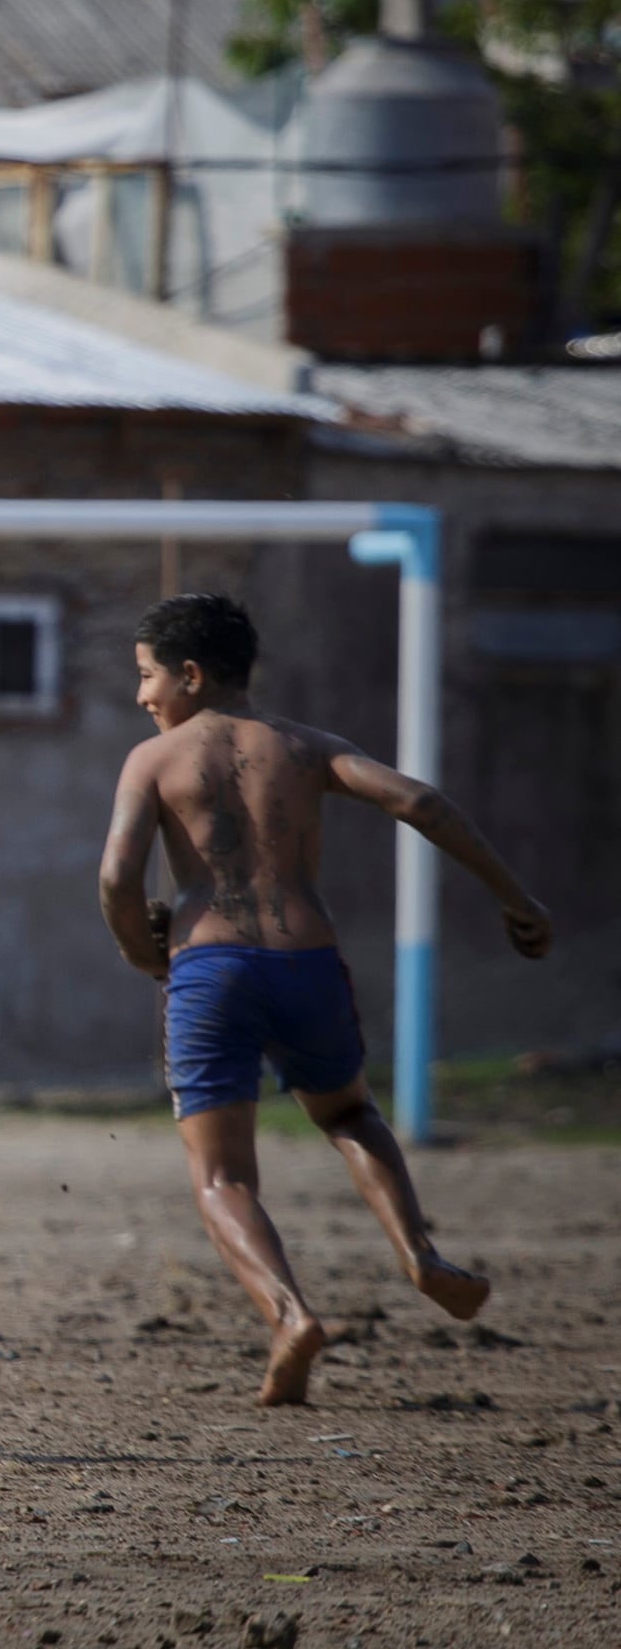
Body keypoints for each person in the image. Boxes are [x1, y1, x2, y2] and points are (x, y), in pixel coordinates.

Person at [98, 591, 551, 1406]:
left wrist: (143, 953)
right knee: (348, 1115)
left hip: (211, 968)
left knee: (221, 1177)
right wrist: (517, 899)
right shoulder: (306, 747)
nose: (142, 697)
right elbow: (420, 801)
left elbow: (115, 877)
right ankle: (418, 1255)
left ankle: (289, 1317)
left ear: (192, 676)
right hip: (308, 960)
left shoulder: (153, 759)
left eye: (146, 677)